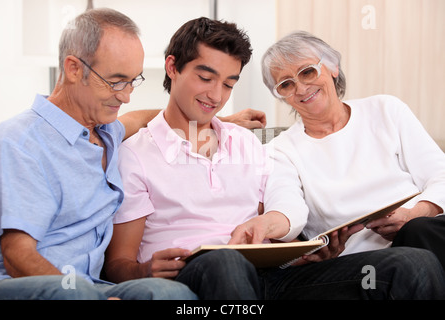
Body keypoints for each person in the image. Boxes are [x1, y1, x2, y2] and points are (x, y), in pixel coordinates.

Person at [104, 17, 445, 300]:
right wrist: (145, 270)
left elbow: (287, 204)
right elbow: (118, 263)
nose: (215, 95)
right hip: (201, 274)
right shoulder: (136, 154)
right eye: (206, 78)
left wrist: (283, 237)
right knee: (226, 262)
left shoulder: (248, 144)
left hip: (274, 278)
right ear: (172, 67)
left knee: (413, 264)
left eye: (228, 84)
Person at [0, 8, 200, 300]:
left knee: (169, 294)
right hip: (36, 285)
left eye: (132, 81)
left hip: (92, 286)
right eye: (116, 81)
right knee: (75, 292)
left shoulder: (108, 131)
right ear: (74, 68)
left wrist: (219, 121)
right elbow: (17, 255)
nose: (126, 95)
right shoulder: (21, 140)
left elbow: (142, 118)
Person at [259, 31, 445, 267]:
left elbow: (440, 175)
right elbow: (287, 210)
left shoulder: (386, 109)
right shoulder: (279, 150)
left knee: (418, 230)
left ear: (333, 67)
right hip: (367, 263)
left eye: (307, 72)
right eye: (286, 84)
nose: (302, 88)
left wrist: (414, 214)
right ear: (282, 96)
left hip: (426, 231)